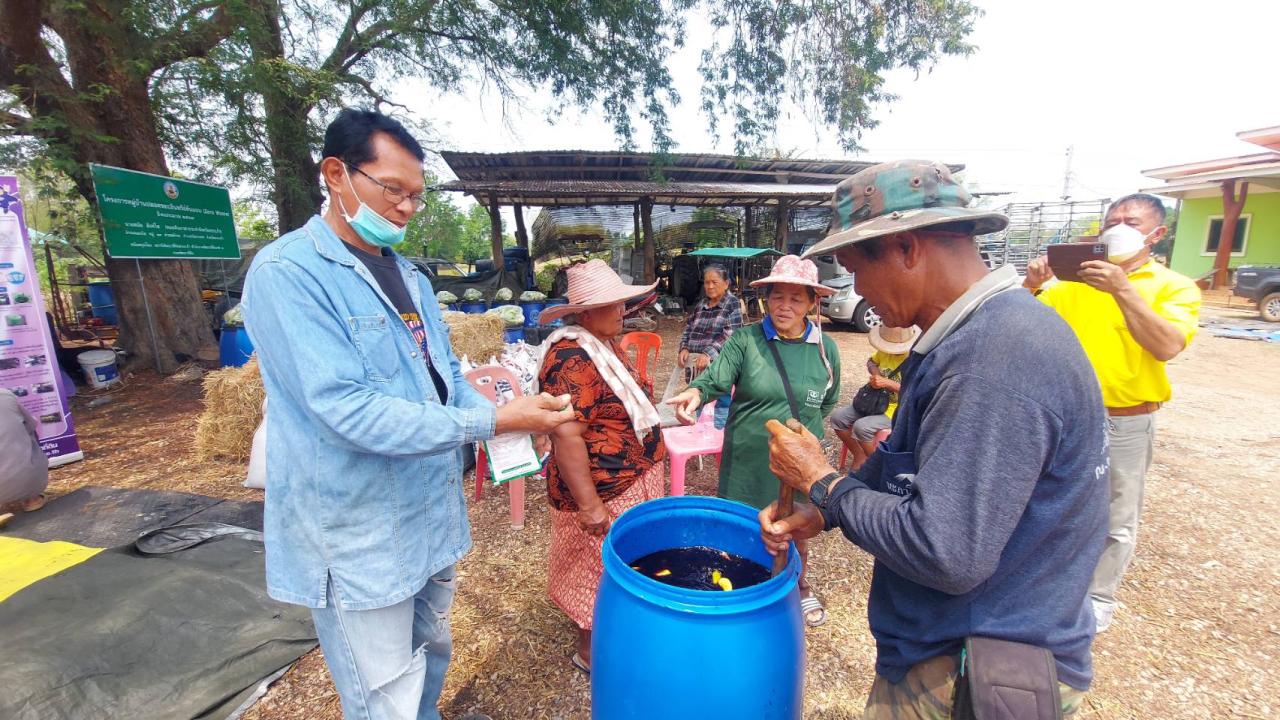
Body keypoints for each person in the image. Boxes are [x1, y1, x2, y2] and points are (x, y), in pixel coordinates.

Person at [242, 108, 572, 720]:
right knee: (383, 694)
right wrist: (494, 423)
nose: (405, 207)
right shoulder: (289, 274)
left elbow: (446, 379)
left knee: (430, 652)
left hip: (427, 516)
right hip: (357, 532)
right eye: (392, 189)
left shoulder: (410, 278)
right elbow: (347, 412)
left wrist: (512, 419)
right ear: (336, 174)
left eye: (416, 196)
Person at [758, 160, 1109, 718]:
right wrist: (825, 513)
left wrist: (823, 484)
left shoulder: (994, 359)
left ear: (905, 248)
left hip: (972, 670)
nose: (863, 295)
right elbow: (908, 460)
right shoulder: (968, 337)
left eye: (856, 270)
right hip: (956, 651)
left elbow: (946, 553)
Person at [1024, 192, 1201, 633]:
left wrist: (1122, 289)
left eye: (1133, 222)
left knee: (1115, 511)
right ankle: (1043, 584)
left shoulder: (1174, 287)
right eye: (1114, 219)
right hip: (1065, 414)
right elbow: (1023, 327)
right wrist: (1030, 286)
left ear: (1156, 234)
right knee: (1046, 497)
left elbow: (1166, 345)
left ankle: (1098, 597)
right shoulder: (1069, 285)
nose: (1120, 226)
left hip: (1126, 417)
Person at [667, 255, 841, 627]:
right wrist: (696, 392)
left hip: (799, 462)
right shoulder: (745, 341)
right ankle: (741, 590)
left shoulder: (827, 350)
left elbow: (827, 401)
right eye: (778, 296)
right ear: (766, 299)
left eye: (796, 298)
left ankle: (798, 587)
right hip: (747, 457)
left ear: (813, 302)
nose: (785, 306)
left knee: (796, 528)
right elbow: (715, 378)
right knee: (742, 526)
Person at [536, 259, 668, 673]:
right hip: (603, 488)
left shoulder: (602, 344)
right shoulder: (568, 357)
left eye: (621, 303)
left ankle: (621, 632)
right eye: (612, 305)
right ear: (586, 312)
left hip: (631, 478)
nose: (622, 311)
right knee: (597, 569)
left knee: (625, 562)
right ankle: (592, 653)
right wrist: (590, 505)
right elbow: (567, 434)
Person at [828, 325, 918, 470]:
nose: (891, 352)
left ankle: (877, 465)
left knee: (862, 427)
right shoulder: (884, 352)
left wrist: (888, 383)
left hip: (896, 409)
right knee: (838, 418)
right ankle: (859, 454)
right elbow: (871, 361)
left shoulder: (914, 360)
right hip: (874, 402)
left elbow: (914, 392)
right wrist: (876, 373)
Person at [676, 263, 743, 428]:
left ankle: (720, 436)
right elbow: (689, 328)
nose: (710, 286)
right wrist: (684, 347)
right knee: (698, 397)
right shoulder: (701, 305)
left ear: (726, 283)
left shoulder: (732, 303)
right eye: (707, 282)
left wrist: (708, 354)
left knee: (721, 402)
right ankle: (699, 429)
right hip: (696, 366)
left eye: (715, 282)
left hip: (720, 365)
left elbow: (730, 334)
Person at [0, 388, 48, 528]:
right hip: (30, 481)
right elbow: (32, 424)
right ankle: (32, 498)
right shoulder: (5, 394)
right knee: (27, 433)